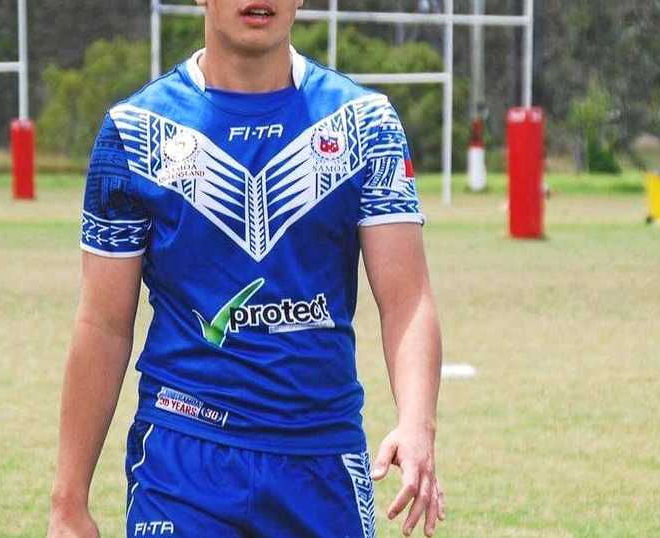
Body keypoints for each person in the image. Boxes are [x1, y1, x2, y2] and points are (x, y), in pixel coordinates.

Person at [46, 1, 443, 536]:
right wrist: (68, 503)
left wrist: (417, 426)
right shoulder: (135, 134)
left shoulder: (363, 125)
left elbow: (407, 299)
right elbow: (103, 324)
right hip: (183, 461)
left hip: (323, 458)